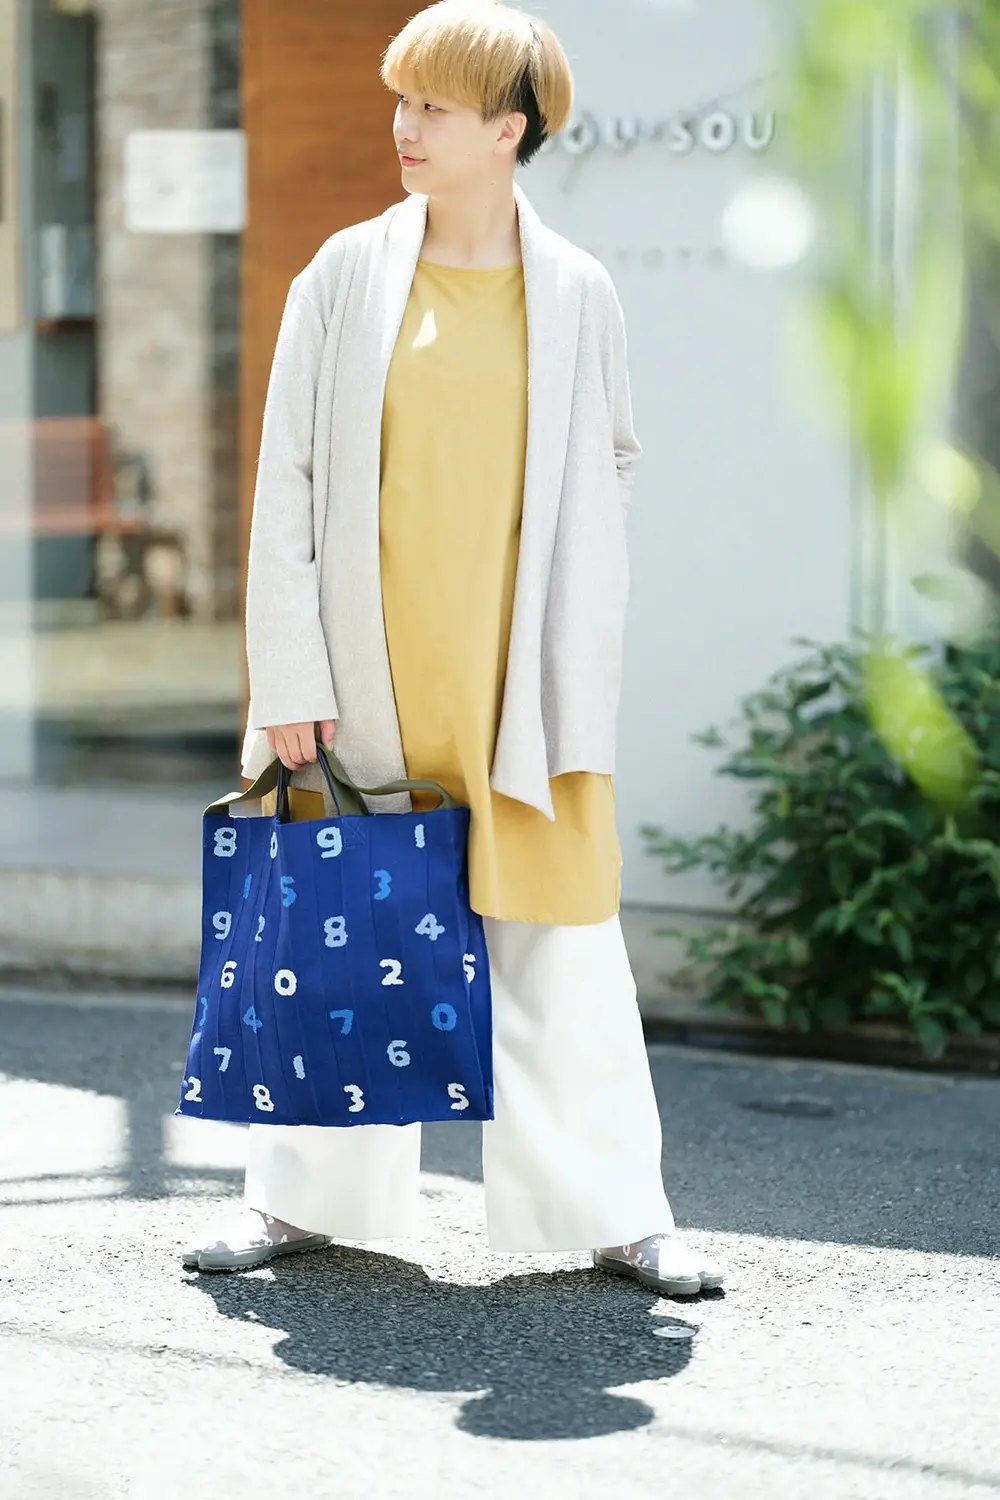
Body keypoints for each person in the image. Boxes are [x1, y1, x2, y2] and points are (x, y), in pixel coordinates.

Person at [183, 0, 724, 1297]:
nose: (404, 125)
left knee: (562, 946)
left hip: (519, 688)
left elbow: (615, 457)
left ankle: (617, 1212)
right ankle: (297, 1202)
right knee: (339, 934)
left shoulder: (576, 290)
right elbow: (286, 480)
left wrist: (574, 614)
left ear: (508, 128)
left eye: (432, 105)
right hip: (365, 677)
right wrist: (291, 675)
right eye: (401, 99)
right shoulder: (343, 275)